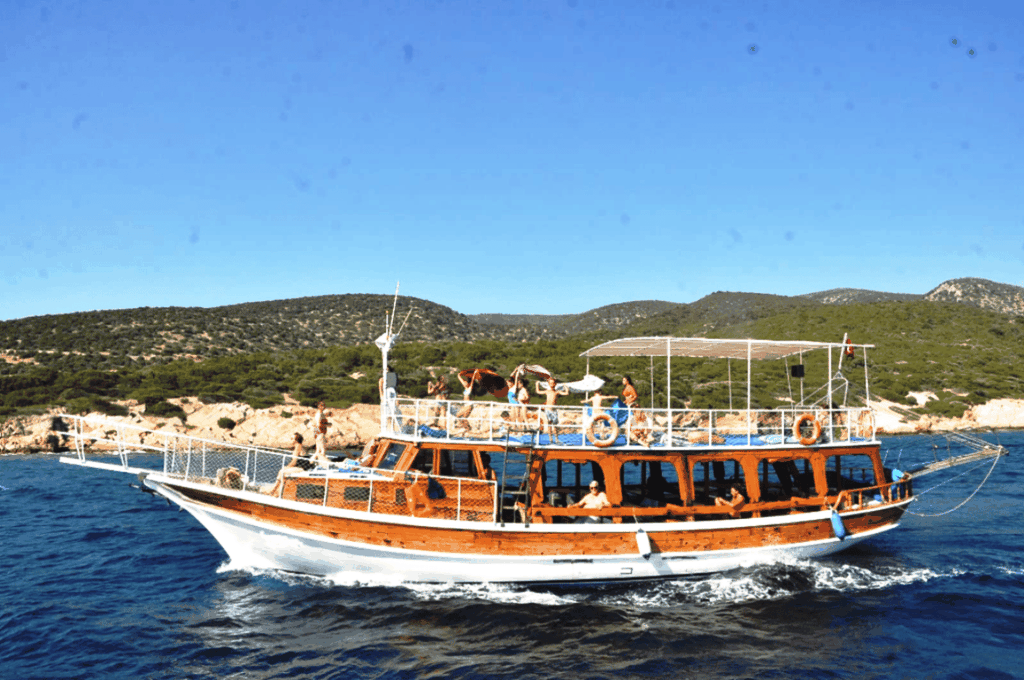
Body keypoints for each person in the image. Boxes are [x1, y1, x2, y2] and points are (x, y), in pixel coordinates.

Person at [536, 376, 569, 444]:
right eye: (550, 383)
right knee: (549, 424)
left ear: (555, 384)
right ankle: (550, 439)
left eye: (553, 383)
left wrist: (566, 387)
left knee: (555, 425)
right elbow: (538, 391)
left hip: (554, 410)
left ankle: (556, 438)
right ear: (548, 384)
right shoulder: (547, 391)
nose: (551, 384)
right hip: (548, 410)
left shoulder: (557, 392)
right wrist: (537, 384)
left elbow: (566, 393)